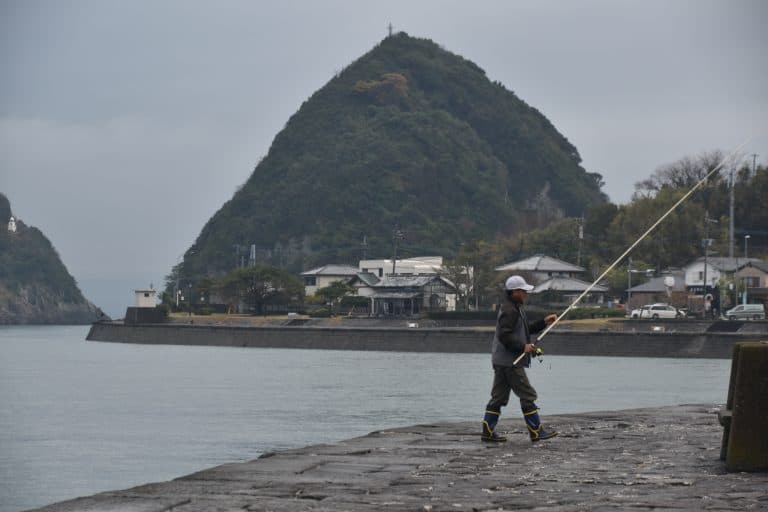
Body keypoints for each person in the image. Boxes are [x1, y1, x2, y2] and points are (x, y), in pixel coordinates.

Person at [481, 275, 559, 443]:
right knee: (528, 394)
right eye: (522, 291)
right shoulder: (510, 310)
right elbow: (504, 335)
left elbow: (525, 330)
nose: (525, 294)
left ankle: (487, 432)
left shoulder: (515, 308)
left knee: (499, 397)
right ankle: (536, 431)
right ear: (514, 292)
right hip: (510, 363)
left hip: (502, 361)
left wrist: (544, 322)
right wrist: (523, 347)